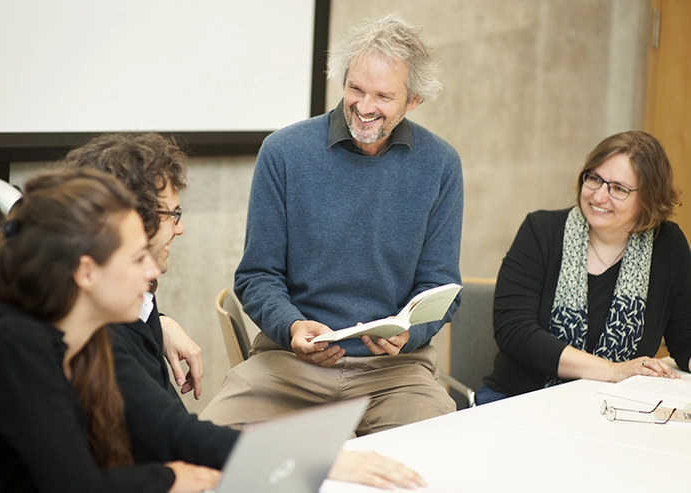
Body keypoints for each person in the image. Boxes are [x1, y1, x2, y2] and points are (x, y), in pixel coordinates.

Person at [66, 132, 427, 490]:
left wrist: (157, 321)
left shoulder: (123, 299)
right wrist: (314, 457)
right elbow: (169, 433)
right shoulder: (94, 335)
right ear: (125, 225)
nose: (181, 228)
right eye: (172, 214)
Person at [200, 14, 463, 434]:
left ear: (413, 101)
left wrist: (408, 335)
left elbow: (441, 288)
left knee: (438, 458)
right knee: (207, 450)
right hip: (289, 367)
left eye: (383, 96)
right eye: (355, 88)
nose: (364, 106)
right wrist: (291, 327)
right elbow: (256, 276)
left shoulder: (440, 164)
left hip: (395, 376)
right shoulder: (283, 153)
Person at [0, 169, 219, 492]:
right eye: (137, 259)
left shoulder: (78, 345)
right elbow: (78, 487)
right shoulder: (17, 349)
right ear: (87, 272)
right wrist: (171, 478)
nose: (150, 272)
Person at [479, 130, 691, 404]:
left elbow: (684, 342)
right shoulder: (542, 231)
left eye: (618, 188)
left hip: (616, 406)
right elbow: (515, 333)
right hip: (521, 401)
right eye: (594, 179)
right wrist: (614, 371)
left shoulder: (667, 244)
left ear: (649, 199)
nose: (599, 196)